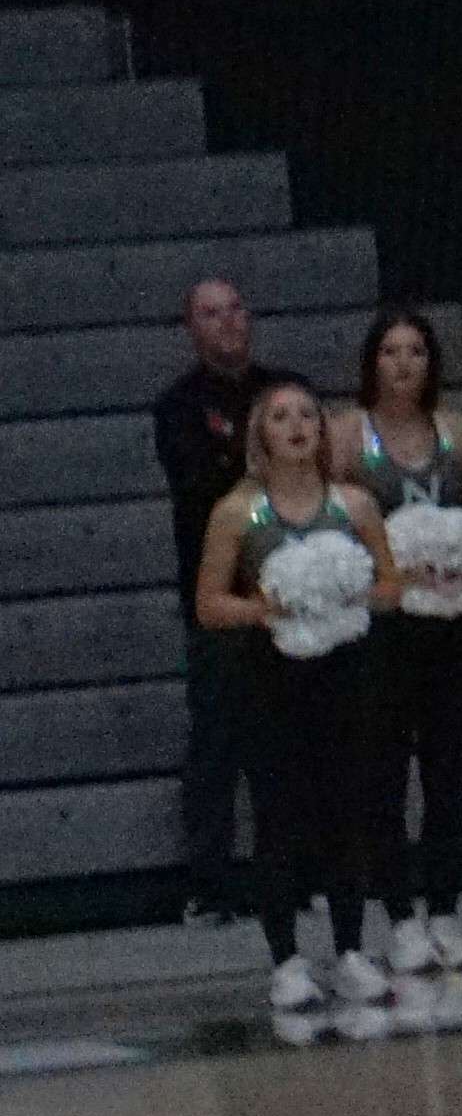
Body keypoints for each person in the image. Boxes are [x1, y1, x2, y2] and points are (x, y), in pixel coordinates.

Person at [195, 369, 393, 1016]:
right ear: (260, 436)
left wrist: (346, 592)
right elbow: (208, 605)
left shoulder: (354, 506)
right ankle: (285, 960)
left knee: (347, 810)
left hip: (346, 671)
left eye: (307, 414)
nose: (297, 426)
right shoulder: (237, 512)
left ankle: (352, 950)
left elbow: (390, 587)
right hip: (270, 675)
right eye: (280, 417)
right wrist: (268, 608)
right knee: (277, 816)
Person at [336, 306, 462, 976]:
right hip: (383, 627)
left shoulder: (456, 432)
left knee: (448, 777)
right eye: (390, 351)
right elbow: (324, 514)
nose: (403, 363)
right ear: (371, 362)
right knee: (384, 776)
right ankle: (399, 919)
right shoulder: (350, 434)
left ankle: (446, 914)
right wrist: (383, 566)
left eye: (416, 352)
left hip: (450, 620)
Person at [153, 277, 268, 923]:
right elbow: (201, 489)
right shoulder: (177, 406)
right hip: (217, 591)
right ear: (191, 329)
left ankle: (298, 869)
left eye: (233, 309)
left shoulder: (285, 390)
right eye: (209, 314)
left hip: (288, 581)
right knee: (217, 738)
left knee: (292, 734)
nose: (226, 322)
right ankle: (211, 881)